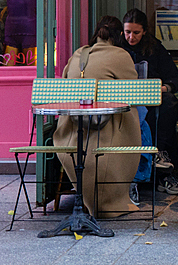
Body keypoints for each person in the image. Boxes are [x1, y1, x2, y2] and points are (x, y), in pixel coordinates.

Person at [53, 16, 140, 217]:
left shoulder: (78, 54)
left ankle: (86, 200)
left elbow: (66, 82)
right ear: (119, 35)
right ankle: (132, 187)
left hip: (72, 131)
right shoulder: (120, 55)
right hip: (106, 130)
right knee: (139, 116)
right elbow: (134, 92)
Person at [122, 8, 178, 196]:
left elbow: (175, 79)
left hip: (155, 102)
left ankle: (162, 163)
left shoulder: (155, 48)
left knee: (167, 105)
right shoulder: (119, 49)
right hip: (129, 101)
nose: (131, 37)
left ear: (144, 31)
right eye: (127, 32)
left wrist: (162, 88)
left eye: (136, 33)